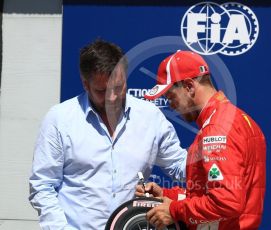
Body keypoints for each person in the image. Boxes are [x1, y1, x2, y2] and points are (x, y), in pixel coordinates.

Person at [29, 40, 187, 230]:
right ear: (85, 84)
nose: (112, 97)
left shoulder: (150, 117)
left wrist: (219, 158)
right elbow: (42, 185)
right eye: (102, 91)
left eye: (118, 87)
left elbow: (181, 167)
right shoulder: (59, 119)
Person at [136, 50, 266, 230]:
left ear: (189, 86)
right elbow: (211, 194)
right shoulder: (241, 119)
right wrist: (166, 195)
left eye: (171, 97)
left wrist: (174, 210)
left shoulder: (216, 128)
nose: (171, 106)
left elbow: (226, 201)